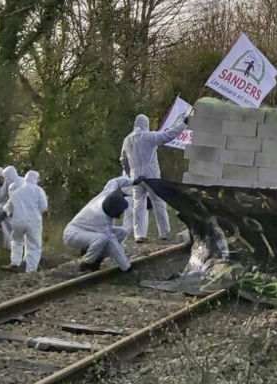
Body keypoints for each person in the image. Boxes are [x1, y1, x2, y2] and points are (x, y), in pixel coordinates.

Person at [120, 113, 186, 243]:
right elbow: (168, 135)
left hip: (135, 176)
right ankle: (164, 232)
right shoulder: (149, 137)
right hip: (151, 175)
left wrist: (129, 173)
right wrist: (183, 124)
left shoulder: (127, 140)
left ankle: (139, 235)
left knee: (138, 204)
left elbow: (123, 160)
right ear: (146, 124)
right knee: (158, 202)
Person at [63, 176, 134, 272]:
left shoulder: (106, 195)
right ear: (113, 211)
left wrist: (133, 181)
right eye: (120, 212)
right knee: (102, 239)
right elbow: (114, 247)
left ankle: (97, 258)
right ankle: (86, 263)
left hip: (87, 230)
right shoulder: (102, 220)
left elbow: (114, 181)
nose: (121, 214)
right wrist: (126, 267)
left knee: (122, 232)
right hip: (72, 234)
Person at [2, 170, 48, 272]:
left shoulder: (17, 191)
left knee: (16, 241)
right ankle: (31, 269)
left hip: (18, 221)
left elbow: (9, 206)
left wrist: (6, 213)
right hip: (33, 222)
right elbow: (44, 207)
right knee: (34, 245)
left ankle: (15, 263)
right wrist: (36, 213)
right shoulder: (39, 190)